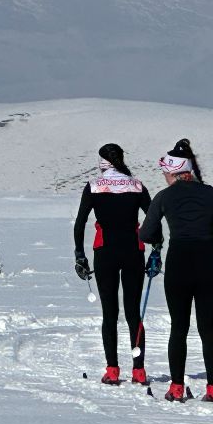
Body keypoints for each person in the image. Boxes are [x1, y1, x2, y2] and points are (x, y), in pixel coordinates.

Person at [139, 139, 213, 402]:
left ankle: (176, 387)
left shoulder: (164, 196)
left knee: (178, 328)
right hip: (209, 262)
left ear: (173, 172)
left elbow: (146, 233)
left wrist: (158, 235)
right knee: (208, 328)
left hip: (179, 263)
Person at [73, 143, 152, 386]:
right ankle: (138, 371)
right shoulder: (137, 185)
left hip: (105, 252)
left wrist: (80, 255)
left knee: (110, 313)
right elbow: (153, 219)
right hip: (133, 251)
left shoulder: (94, 186)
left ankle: (113, 370)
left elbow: (80, 223)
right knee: (133, 313)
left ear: (102, 162)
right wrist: (155, 248)